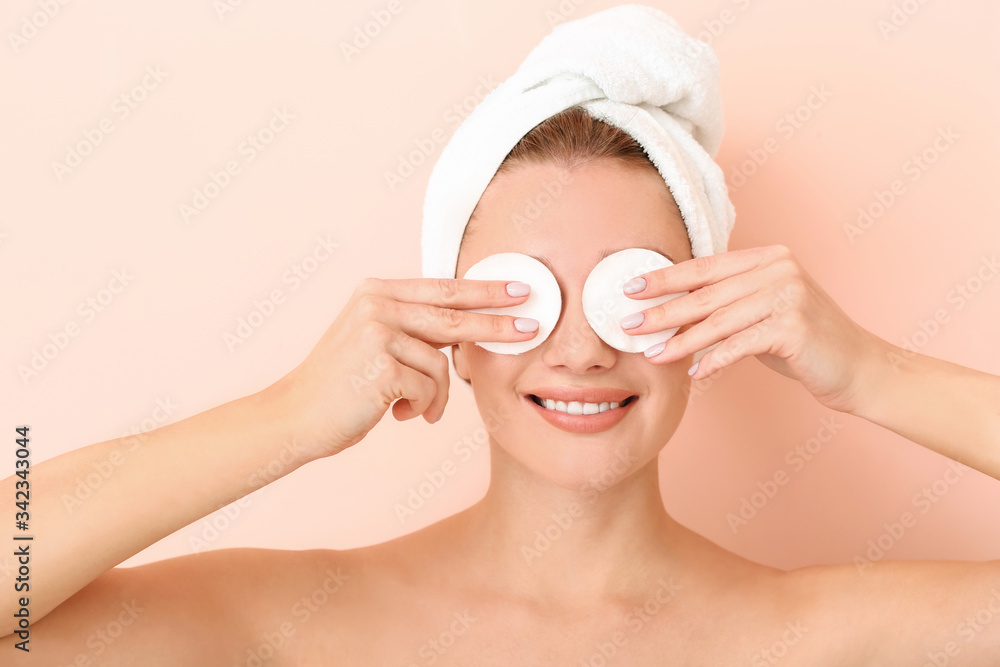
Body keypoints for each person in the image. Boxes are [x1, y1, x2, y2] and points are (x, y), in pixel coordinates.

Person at [6, 8, 1000, 666]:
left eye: (631, 289)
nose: (578, 350)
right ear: (450, 323)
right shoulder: (304, 625)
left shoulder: (808, 637)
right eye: (523, 295)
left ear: (713, 309)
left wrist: (873, 374)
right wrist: (289, 420)